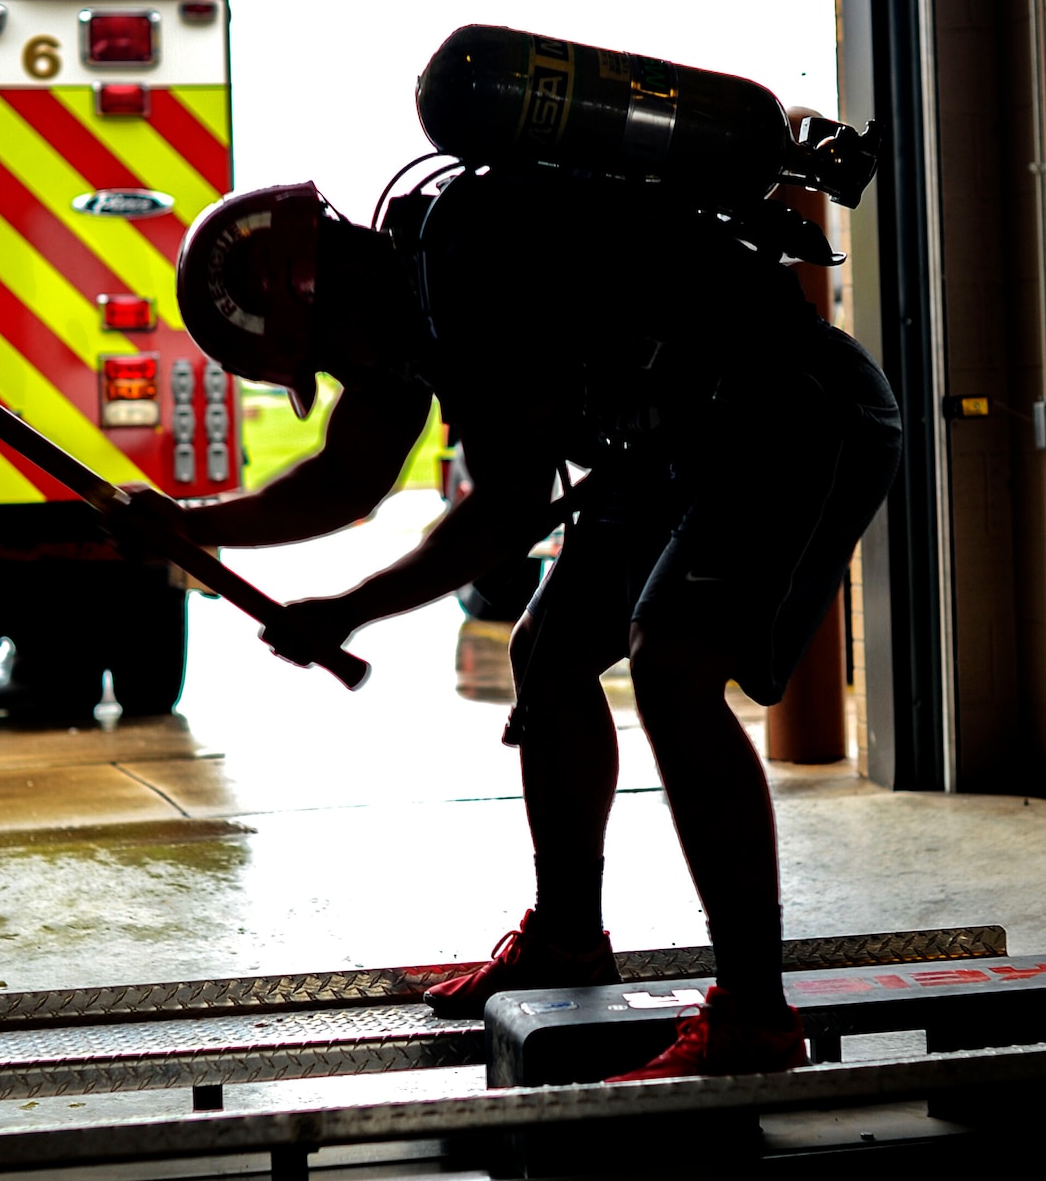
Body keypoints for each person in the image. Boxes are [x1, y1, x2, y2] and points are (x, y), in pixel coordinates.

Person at [132, 153, 900, 1080]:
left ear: (332, 293)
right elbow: (347, 476)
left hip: (791, 413)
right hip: (674, 438)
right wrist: (188, 526)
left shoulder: (474, 262)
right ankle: (568, 941)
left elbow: (502, 512)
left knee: (673, 662)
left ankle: (755, 1014)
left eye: (324, 356)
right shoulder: (399, 307)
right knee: (552, 651)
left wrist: (349, 608)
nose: (338, 374)